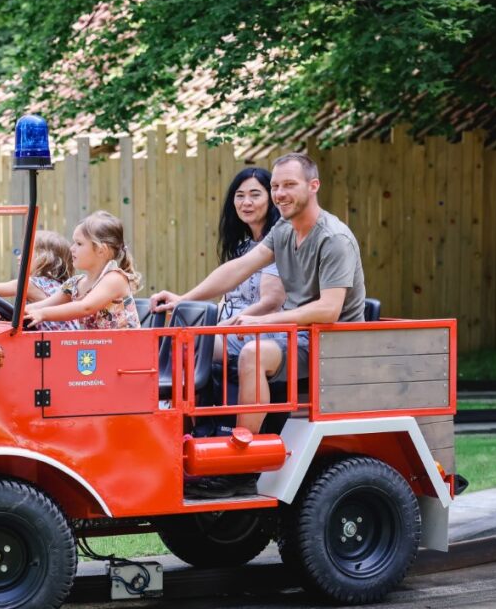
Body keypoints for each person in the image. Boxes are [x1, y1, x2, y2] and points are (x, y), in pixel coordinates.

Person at [151, 152, 365, 434]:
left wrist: (262, 322)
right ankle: (193, 434)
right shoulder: (285, 228)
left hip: (331, 344)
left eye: (289, 185)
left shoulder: (334, 239)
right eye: (275, 186)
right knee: (194, 343)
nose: (280, 194)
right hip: (295, 335)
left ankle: (243, 451)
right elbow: (239, 268)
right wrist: (184, 299)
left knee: (252, 353)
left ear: (314, 186)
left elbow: (329, 310)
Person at [25, 211, 141, 329]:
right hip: (97, 346)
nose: (71, 248)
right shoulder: (74, 284)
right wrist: (22, 312)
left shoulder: (115, 279)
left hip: (126, 346)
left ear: (101, 250)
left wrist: (43, 314)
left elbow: (85, 307)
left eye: (79, 244)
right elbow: (44, 305)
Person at [213, 167, 285, 360]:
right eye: (240, 196)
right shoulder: (241, 248)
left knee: (192, 343)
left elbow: (270, 303)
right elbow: (226, 300)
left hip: (264, 332)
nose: (246, 203)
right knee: (175, 337)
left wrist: (219, 328)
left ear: (271, 199)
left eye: (255, 195)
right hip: (231, 329)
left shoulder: (278, 244)